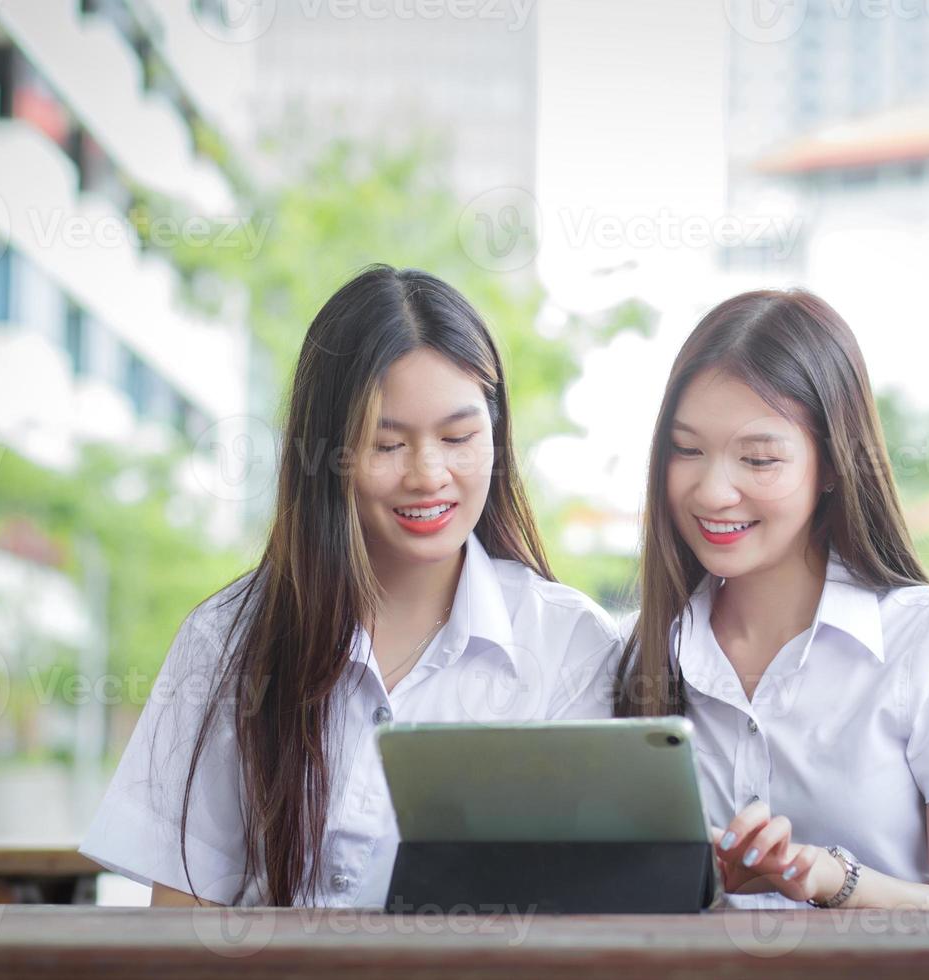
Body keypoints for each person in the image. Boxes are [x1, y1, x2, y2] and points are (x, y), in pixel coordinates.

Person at [80, 265, 619, 907]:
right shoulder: (227, 638)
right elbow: (180, 918)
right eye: (386, 444)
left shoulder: (569, 644)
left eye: (459, 438)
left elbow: (586, 908)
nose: (428, 475)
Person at [615, 288, 929, 909]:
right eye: (687, 450)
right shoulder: (642, 651)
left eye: (758, 459)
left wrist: (835, 879)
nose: (712, 491)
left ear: (833, 464)